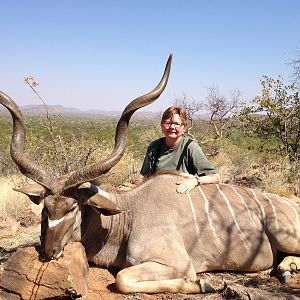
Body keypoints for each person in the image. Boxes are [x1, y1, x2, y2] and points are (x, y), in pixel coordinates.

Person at [140, 106, 220, 194]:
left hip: (182, 198)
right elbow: (146, 178)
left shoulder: (191, 147)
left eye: (177, 124)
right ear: (161, 126)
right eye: (167, 123)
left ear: (184, 128)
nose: (172, 127)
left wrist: (195, 181)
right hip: (158, 195)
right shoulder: (154, 146)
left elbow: (215, 177)